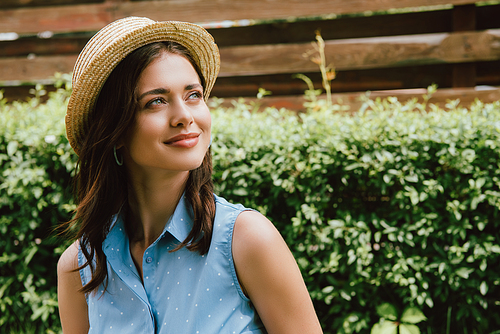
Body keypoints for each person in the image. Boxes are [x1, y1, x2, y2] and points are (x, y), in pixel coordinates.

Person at [57, 16, 323, 334]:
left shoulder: (248, 240)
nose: (184, 116)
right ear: (114, 129)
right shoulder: (80, 267)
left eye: (193, 95)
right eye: (156, 101)